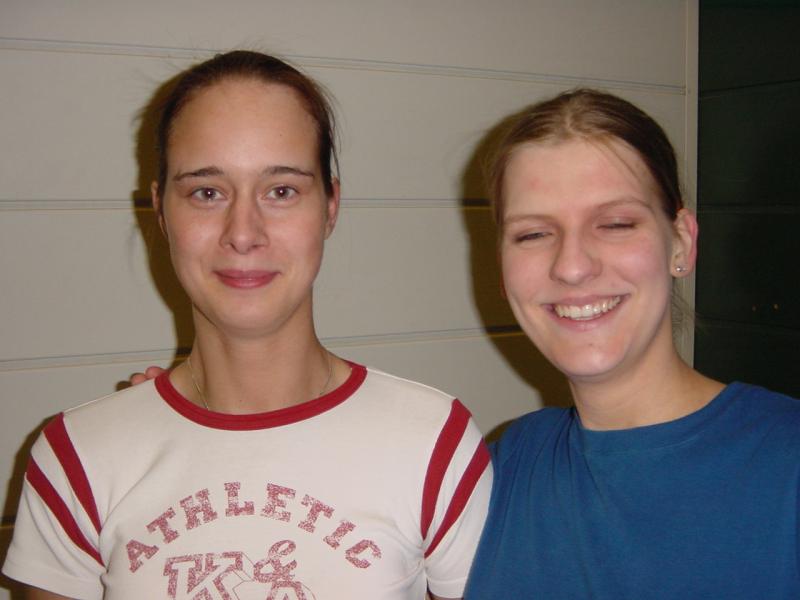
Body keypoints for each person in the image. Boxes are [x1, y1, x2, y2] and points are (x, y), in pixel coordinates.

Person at [2, 50, 491, 600]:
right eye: (206, 192)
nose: (243, 233)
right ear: (161, 210)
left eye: (281, 190)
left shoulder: (434, 444)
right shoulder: (77, 457)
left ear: (330, 205)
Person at [464, 88, 800, 598]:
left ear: (681, 242)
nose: (571, 266)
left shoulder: (786, 465)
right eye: (533, 234)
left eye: (616, 224)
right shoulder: (506, 466)